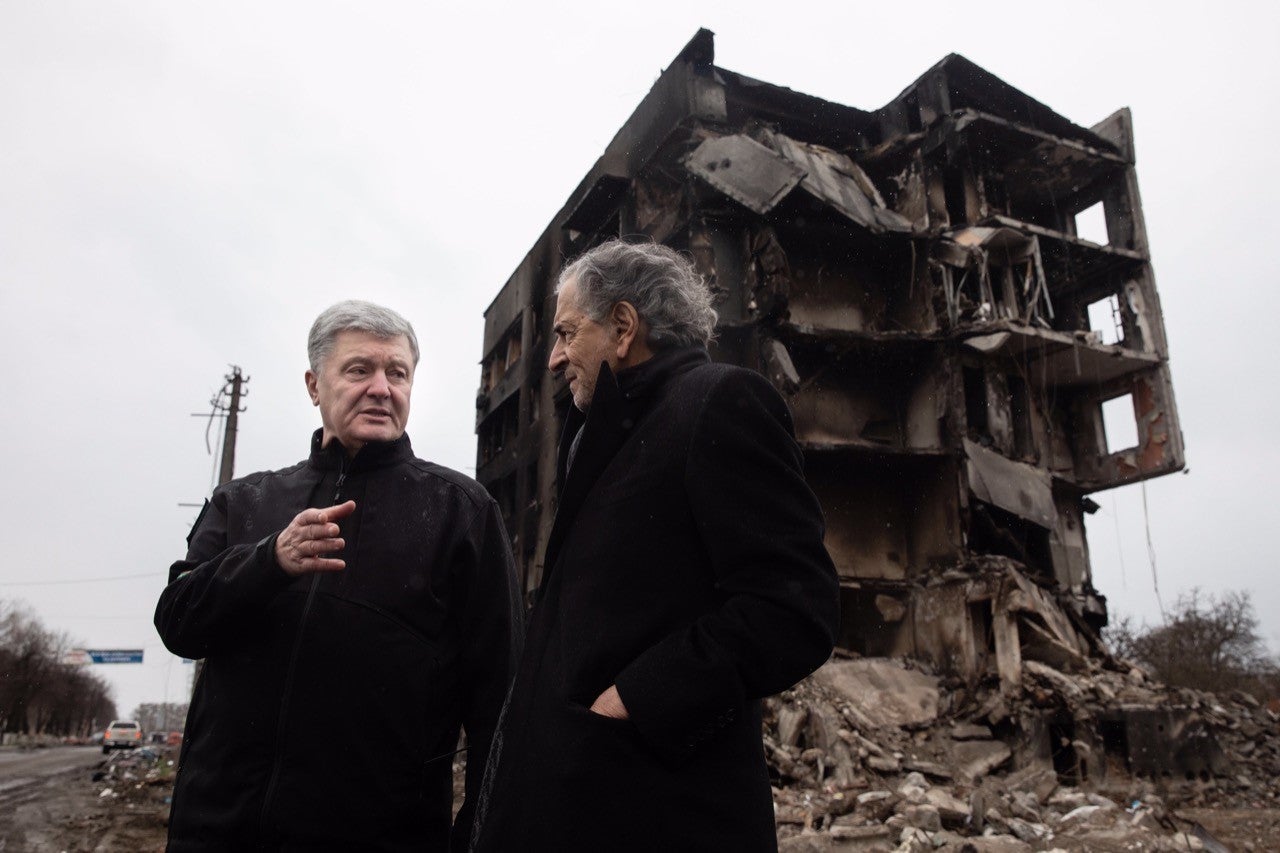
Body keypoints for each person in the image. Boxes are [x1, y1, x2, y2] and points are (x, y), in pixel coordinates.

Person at [471, 241, 840, 851]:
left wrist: (635, 701)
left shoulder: (719, 403)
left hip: (660, 810)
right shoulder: (596, 438)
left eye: (565, 334)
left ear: (622, 327)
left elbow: (794, 608)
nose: (555, 360)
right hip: (584, 800)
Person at [155, 300, 522, 852]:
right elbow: (178, 622)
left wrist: (477, 833)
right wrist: (269, 560)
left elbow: (501, 697)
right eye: (359, 370)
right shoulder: (245, 502)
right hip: (217, 831)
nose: (381, 387)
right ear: (313, 384)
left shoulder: (460, 512)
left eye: (397, 372)